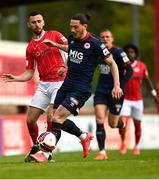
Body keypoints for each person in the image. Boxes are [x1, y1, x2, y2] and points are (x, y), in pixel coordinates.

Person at [1, 11, 94, 162]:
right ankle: (41, 146)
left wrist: (60, 54)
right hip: (43, 85)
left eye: (39, 21)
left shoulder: (54, 35)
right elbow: (29, 73)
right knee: (30, 120)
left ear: (43, 22)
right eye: (33, 22)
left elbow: (74, 49)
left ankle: (47, 154)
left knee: (52, 117)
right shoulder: (30, 47)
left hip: (60, 81)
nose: (37, 24)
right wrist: (16, 78)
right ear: (28, 24)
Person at [30, 13, 123, 163]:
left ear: (84, 27)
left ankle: (45, 155)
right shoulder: (72, 38)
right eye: (71, 26)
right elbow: (71, 49)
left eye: (75, 27)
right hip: (66, 85)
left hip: (81, 89)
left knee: (58, 118)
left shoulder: (96, 44)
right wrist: (62, 61)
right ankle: (84, 136)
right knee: (53, 117)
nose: (72, 30)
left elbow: (112, 64)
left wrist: (117, 85)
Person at [93, 29, 132, 160]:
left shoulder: (118, 52)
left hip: (116, 92)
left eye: (107, 37)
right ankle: (102, 152)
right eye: (102, 37)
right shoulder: (98, 52)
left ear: (112, 38)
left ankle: (122, 123)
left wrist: (120, 86)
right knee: (99, 119)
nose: (105, 39)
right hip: (101, 91)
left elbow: (130, 70)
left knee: (113, 124)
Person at [119, 43, 159, 155]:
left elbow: (147, 81)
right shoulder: (122, 66)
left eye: (132, 52)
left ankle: (136, 146)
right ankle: (123, 143)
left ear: (135, 54)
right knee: (123, 123)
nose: (130, 54)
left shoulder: (141, 66)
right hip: (125, 99)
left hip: (138, 100)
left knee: (137, 125)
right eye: (127, 52)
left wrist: (154, 94)